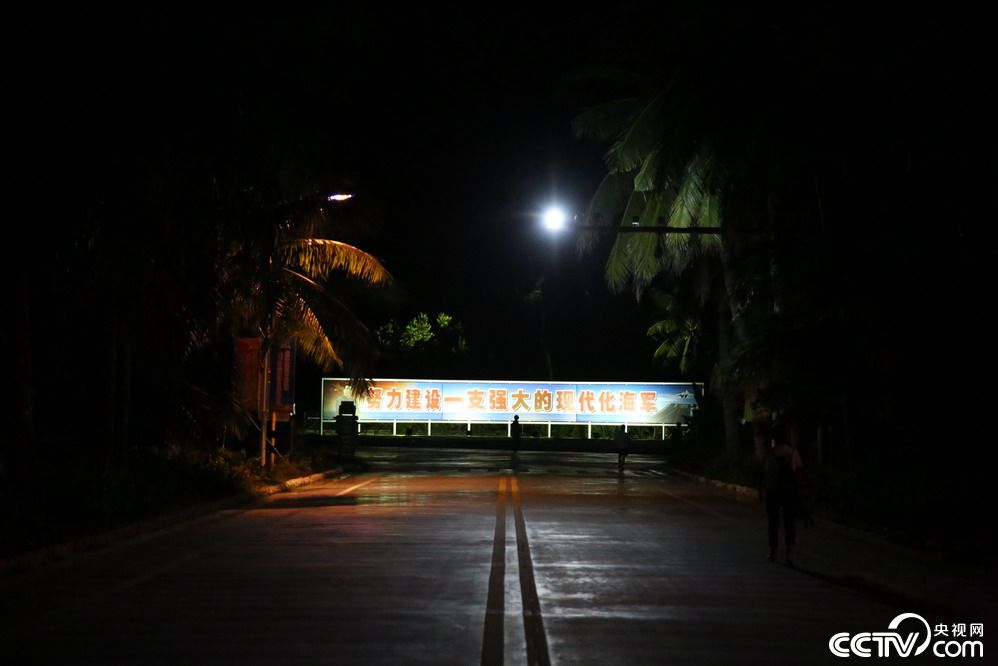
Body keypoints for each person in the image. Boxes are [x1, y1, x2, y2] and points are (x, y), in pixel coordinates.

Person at [762, 421, 803, 566]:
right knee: (789, 523)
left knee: (773, 522)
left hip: (773, 491)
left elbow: (765, 473)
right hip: (789, 492)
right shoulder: (793, 453)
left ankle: (773, 551)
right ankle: (789, 554)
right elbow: (798, 472)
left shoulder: (770, 453)